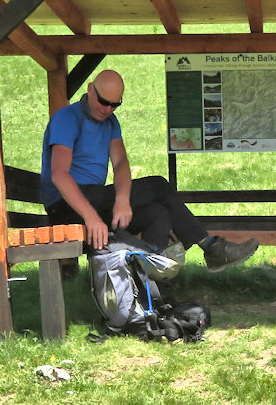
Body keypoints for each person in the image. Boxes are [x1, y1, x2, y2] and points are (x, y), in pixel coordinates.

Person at [40, 69, 258, 272]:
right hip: (66, 207)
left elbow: (121, 164)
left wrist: (123, 199)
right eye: (104, 102)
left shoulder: (110, 122)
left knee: (158, 214)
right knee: (157, 186)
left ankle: (154, 294)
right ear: (90, 90)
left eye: (115, 105)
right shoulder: (67, 118)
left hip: (94, 202)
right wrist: (91, 218)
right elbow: (59, 174)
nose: (108, 109)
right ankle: (211, 247)